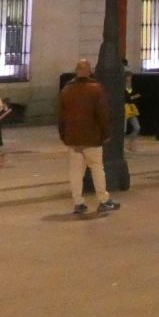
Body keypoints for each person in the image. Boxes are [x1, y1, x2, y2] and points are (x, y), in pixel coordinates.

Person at [58, 58, 118, 216]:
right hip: (92, 138)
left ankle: (78, 203)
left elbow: (61, 116)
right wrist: (105, 133)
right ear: (89, 71)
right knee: (97, 168)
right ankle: (103, 200)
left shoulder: (66, 90)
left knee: (76, 173)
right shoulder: (96, 89)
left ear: (76, 71)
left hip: (73, 140)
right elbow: (102, 115)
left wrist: (64, 136)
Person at [123, 73, 141, 154]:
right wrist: (132, 97)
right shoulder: (122, 87)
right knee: (124, 129)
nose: (129, 79)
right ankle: (121, 146)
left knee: (137, 127)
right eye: (128, 77)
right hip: (124, 108)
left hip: (132, 108)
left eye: (130, 77)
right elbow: (127, 98)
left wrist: (132, 98)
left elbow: (138, 95)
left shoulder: (133, 87)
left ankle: (130, 143)